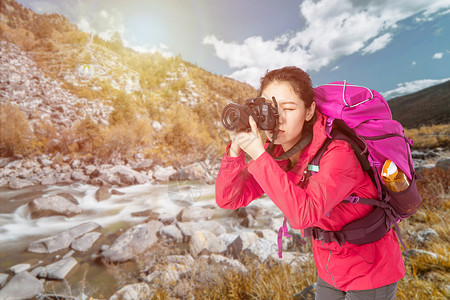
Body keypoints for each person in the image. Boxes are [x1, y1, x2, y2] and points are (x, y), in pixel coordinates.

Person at [215, 66, 405, 299]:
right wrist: (235, 152)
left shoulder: (338, 152)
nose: (279, 119)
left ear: (309, 111)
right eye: (271, 109)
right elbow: (229, 199)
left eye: (289, 108)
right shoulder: (275, 153)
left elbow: (304, 214)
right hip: (329, 270)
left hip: (371, 270)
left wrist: (258, 155)